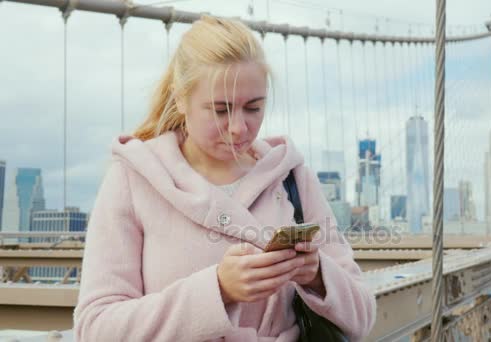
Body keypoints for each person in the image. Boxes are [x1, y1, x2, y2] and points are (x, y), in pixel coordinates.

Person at [73, 16, 376, 341]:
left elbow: (363, 316)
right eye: (220, 110)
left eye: (254, 108)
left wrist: (317, 275)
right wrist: (218, 291)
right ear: (180, 99)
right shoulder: (132, 178)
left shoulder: (291, 176)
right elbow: (95, 328)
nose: (238, 128)